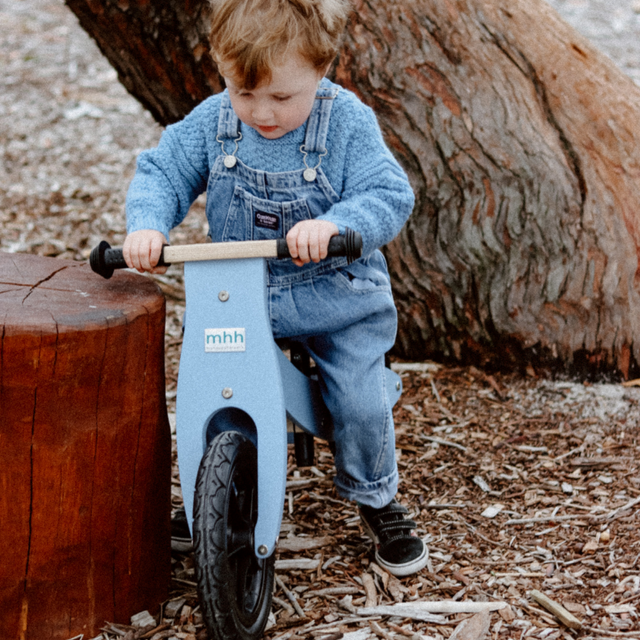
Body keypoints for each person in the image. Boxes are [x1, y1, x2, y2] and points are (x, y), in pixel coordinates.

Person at [123, 0, 427, 577]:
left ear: (321, 68)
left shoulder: (346, 124)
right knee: (219, 386)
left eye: (282, 97)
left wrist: (338, 225)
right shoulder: (214, 123)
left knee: (358, 403)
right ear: (222, 70)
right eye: (244, 92)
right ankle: (217, 489)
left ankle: (376, 495)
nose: (261, 111)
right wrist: (147, 225)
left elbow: (389, 194)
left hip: (336, 297)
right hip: (242, 292)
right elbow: (162, 171)